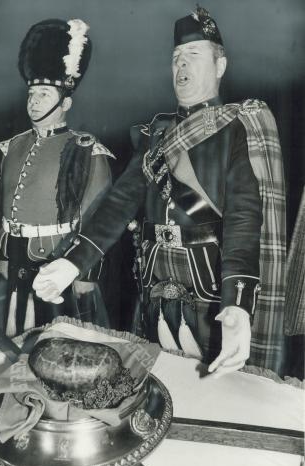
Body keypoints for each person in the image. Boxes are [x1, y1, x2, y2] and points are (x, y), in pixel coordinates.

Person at [33, 7, 286, 375]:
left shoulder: (237, 129)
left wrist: (237, 305)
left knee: (213, 386)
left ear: (220, 66)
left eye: (194, 55)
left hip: (210, 282)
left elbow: (244, 222)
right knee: (155, 378)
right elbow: (119, 202)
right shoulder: (157, 135)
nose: (181, 65)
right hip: (152, 273)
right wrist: (72, 261)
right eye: (176, 58)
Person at [0, 18, 115, 337]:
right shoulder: (14, 146)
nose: (34, 101)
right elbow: (5, 208)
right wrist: (4, 254)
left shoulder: (86, 150)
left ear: (66, 103)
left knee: (62, 349)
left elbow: (99, 217)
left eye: (44, 94)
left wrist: (86, 274)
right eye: (32, 93)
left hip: (59, 260)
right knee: (16, 342)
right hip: (17, 260)